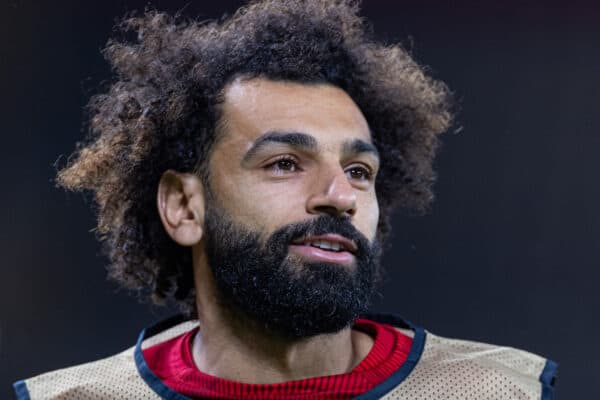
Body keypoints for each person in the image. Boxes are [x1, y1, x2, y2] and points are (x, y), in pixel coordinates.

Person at [13, 1, 557, 399]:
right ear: (183, 205)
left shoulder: (500, 389)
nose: (339, 196)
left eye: (358, 170)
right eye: (285, 164)